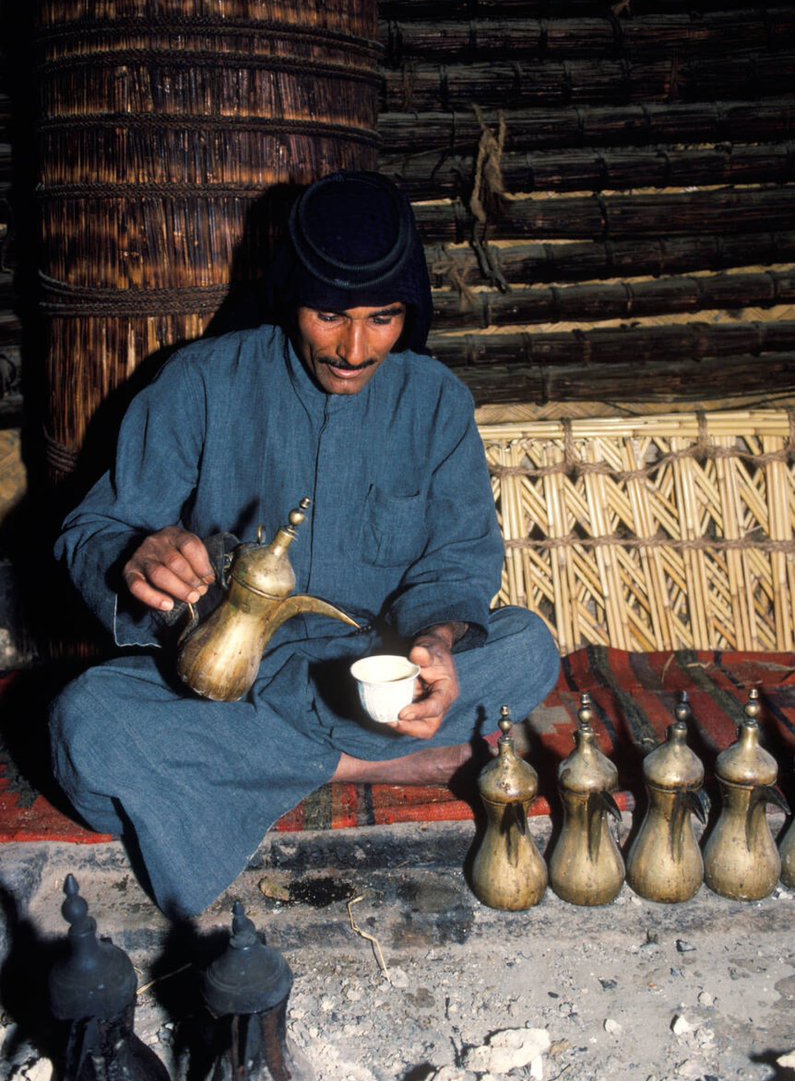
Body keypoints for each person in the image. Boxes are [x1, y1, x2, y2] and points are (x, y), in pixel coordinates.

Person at [49, 171, 560, 918]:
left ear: (407, 310)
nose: (354, 348)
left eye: (382, 317)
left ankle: (279, 765)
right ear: (291, 293)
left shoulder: (435, 401)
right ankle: (383, 763)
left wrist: (439, 645)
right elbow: (90, 531)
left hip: (373, 673)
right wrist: (136, 552)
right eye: (329, 313)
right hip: (231, 676)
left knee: (528, 647)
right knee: (85, 727)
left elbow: (456, 563)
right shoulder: (201, 381)